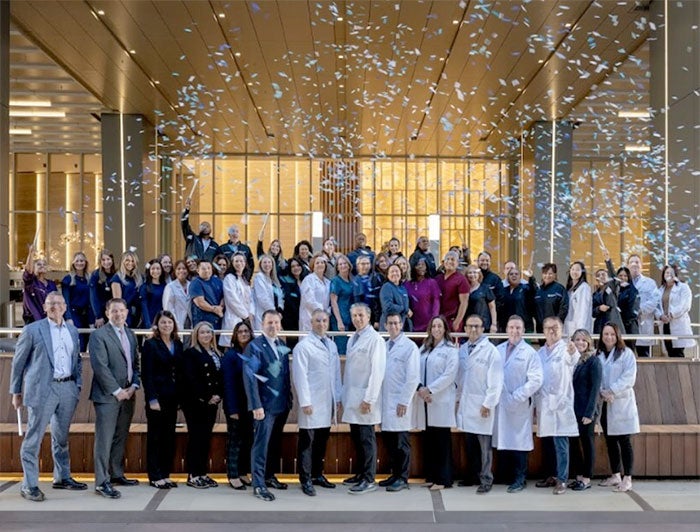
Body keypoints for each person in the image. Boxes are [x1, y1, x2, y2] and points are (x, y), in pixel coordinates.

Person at [10, 292, 86, 502]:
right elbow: (18, 363)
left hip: (67, 388)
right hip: (42, 390)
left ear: (65, 306)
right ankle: (30, 485)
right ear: (44, 307)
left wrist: (77, 384)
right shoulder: (33, 330)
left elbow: (77, 359)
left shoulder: (71, 329)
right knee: (33, 438)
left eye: (59, 303)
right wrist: (15, 391)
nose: (55, 307)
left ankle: (62, 477)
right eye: (51, 304)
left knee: (61, 437)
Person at [89, 298, 140, 499]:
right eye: (114, 311)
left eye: (121, 310)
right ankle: (102, 482)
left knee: (120, 436)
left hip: (129, 394)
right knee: (104, 439)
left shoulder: (130, 334)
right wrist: (117, 391)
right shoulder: (99, 335)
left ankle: (116, 474)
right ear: (108, 313)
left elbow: (135, 362)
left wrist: (134, 385)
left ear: (127, 312)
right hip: (108, 396)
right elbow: (100, 367)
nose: (118, 314)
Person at [292, 309, 343, 496]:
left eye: (324, 320)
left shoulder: (331, 345)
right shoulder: (303, 347)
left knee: (321, 441)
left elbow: (336, 374)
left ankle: (317, 475)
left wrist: (337, 397)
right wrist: (305, 401)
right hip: (311, 403)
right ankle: (305, 479)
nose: (321, 324)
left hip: (326, 402)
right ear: (311, 323)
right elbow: (300, 376)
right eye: (317, 321)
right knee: (307, 442)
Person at [244, 310, 292, 502]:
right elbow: (250, 378)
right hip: (264, 406)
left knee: (273, 444)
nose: (273, 326)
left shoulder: (281, 344)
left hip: (281, 405)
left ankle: (269, 476)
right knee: (261, 446)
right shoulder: (254, 346)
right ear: (262, 324)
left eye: (276, 323)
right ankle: (258, 484)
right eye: (269, 322)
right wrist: (256, 405)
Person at [492, 315, 543, 493]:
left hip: (519, 403)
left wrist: (518, 395)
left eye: (518, 328)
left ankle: (520, 478)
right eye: (511, 327)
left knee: (519, 441)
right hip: (500, 401)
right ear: (506, 329)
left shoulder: (530, 353)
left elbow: (536, 380)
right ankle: (505, 475)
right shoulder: (497, 350)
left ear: (523, 331)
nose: (514, 331)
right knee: (503, 438)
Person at [341, 303, 387, 495]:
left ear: (368, 317)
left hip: (366, 399)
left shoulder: (375, 340)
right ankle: (360, 474)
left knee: (367, 440)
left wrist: (370, 399)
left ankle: (369, 478)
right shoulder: (353, 338)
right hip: (353, 397)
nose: (357, 319)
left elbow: (377, 372)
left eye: (361, 315)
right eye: (354, 315)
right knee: (357, 439)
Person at [456, 315, 503, 494]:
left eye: (477, 326)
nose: (473, 330)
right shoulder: (463, 349)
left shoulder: (491, 351)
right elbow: (460, 377)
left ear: (483, 329)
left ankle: (486, 479)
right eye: (470, 327)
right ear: (465, 329)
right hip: (467, 403)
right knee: (471, 445)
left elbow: (496, 381)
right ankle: (472, 476)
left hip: (482, 404)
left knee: (485, 446)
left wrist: (488, 404)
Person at [413, 315, 459, 491]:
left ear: (445, 329)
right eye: (434, 326)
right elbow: (415, 369)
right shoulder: (424, 348)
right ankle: (431, 476)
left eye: (440, 326)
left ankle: (444, 479)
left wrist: (430, 389)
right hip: (425, 400)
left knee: (442, 442)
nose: (437, 329)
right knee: (429, 441)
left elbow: (449, 375)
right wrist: (420, 389)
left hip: (439, 400)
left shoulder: (450, 349)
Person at [534, 317, 579, 495]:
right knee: (547, 443)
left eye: (555, 328)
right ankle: (551, 475)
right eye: (547, 328)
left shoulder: (565, 349)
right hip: (545, 404)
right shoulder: (539, 353)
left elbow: (572, 359)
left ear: (561, 330)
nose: (551, 331)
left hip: (561, 404)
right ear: (543, 331)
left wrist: (573, 351)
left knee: (561, 444)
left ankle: (562, 479)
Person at [141, 310, 183, 489]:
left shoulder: (178, 344)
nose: (167, 325)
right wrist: (151, 398)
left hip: (173, 397)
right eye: (164, 322)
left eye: (170, 322)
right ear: (157, 325)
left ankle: (165, 474)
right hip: (157, 398)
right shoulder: (150, 345)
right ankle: (155, 475)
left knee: (168, 437)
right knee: (155, 437)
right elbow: (147, 374)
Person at [379, 312, 420, 492]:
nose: (393, 326)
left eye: (396, 323)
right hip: (386, 401)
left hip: (400, 402)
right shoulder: (384, 345)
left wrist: (404, 401)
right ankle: (394, 475)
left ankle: (403, 478)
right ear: (385, 326)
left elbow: (413, 377)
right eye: (390, 323)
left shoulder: (409, 347)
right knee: (390, 441)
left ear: (401, 325)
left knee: (401, 443)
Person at [596, 323, 640, 492]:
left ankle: (627, 477)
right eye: (605, 334)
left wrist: (612, 390)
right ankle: (615, 475)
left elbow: (629, 377)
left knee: (624, 441)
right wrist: (602, 391)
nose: (609, 337)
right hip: (606, 404)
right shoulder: (599, 354)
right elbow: (597, 376)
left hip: (621, 402)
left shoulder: (626, 354)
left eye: (612, 334)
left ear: (618, 336)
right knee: (610, 441)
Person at [180, 321, 222, 489]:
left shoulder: (216, 353)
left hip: (212, 403)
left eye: (208, 332)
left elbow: (220, 377)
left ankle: (202, 472)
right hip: (196, 403)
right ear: (196, 335)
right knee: (196, 437)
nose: (206, 335)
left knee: (205, 438)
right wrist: (206, 397)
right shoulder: (190, 354)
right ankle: (193, 474)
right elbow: (191, 380)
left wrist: (218, 395)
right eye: (202, 332)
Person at [222, 320, 255, 490]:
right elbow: (228, 384)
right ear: (235, 335)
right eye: (240, 331)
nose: (243, 334)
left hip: (251, 405)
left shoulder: (254, 353)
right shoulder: (230, 355)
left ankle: (243, 472)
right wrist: (233, 409)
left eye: (246, 331)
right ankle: (233, 474)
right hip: (235, 405)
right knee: (235, 440)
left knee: (248, 440)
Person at [567, 329, 602, 491]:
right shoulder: (573, 360)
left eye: (583, 340)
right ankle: (579, 476)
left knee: (587, 444)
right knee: (574, 444)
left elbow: (595, 389)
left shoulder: (593, 361)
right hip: (572, 410)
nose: (580, 342)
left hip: (586, 411)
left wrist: (589, 413)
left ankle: (587, 478)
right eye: (577, 339)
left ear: (588, 342)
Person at [655, 264, 695, 357]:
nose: (668, 274)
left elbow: (685, 305)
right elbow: (656, 306)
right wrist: (661, 316)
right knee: (669, 352)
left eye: (671, 272)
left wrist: (671, 315)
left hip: (677, 323)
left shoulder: (683, 287)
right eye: (667, 272)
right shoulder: (660, 290)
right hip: (665, 324)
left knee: (678, 353)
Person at [220, 252, 254, 347]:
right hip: (234, 318)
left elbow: (251, 299)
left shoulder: (244, 279)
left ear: (245, 263)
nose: (239, 263)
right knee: (233, 346)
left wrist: (251, 313)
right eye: (236, 261)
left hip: (247, 319)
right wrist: (245, 315)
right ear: (232, 263)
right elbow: (232, 299)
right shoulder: (229, 278)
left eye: (241, 261)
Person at [627, 254, 658, 357]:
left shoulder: (650, 283)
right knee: (627, 357)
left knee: (644, 356)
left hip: (643, 322)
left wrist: (639, 310)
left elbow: (654, 301)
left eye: (637, 262)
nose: (634, 264)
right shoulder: (624, 283)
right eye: (631, 262)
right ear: (627, 266)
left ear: (641, 266)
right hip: (628, 325)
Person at [61, 251, 93, 351]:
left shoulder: (90, 278)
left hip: (88, 315)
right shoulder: (68, 279)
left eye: (82, 261)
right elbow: (65, 300)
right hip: (74, 314)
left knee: (87, 341)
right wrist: (68, 317)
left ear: (86, 262)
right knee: (79, 341)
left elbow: (93, 299)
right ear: (73, 263)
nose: (80, 263)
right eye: (77, 261)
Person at [22, 244, 57, 324]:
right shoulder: (30, 282)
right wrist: (31, 254)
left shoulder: (51, 284)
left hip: (50, 320)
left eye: (44, 264)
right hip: (34, 321)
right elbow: (28, 271)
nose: (42, 266)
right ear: (33, 268)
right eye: (38, 264)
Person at [592, 250, 625, 335]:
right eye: (598, 275)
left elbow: (613, 275)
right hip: (600, 325)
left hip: (613, 322)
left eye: (603, 274)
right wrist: (599, 308)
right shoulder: (595, 294)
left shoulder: (611, 286)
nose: (601, 276)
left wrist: (608, 260)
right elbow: (592, 311)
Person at [436, 250, 470, 332]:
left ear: (457, 263)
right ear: (443, 262)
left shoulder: (461, 279)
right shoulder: (438, 278)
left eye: (453, 259)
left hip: (453, 319)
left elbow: (464, 302)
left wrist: (457, 322)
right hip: (438, 320)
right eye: (447, 259)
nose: (450, 261)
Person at [405, 258, 440, 333]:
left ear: (426, 268)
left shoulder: (432, 283)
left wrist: (434, 320)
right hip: (411, 323)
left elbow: (436, 302)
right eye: (418, 265)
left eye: (423, 265)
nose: (421, 267)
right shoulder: (407, 284)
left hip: (428, 324)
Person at [109, 251, 143, 327]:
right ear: (122, 262)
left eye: (132, 261)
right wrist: (121, 318)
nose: (130, 263)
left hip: (137, 315)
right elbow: (117, 301)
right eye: (127, 260)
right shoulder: (117, 278)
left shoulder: (138, 278)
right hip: (125, 315)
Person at [330, 254, 355, 354]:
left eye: (344, 263)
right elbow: (333, 301)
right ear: (337, 267)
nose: (343, 266)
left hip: (349, 318)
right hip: (340, 319)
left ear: (349, 265)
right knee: (341, 349)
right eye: (340, 264)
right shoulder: (336, 281)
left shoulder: (351, 280)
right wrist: (339, 321)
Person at [533, 263, 569, 334]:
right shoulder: (538, 290)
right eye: (545, 273)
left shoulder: (560, 289)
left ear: (555, 275)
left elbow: (564, 308)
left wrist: (556, 323)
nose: (547, 276)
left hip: (555, 328)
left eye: (550, 273)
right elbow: (534, 309)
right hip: (540, 328)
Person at [252, 254, 284, 331]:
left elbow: (281, 297)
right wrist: (274, 312)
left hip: (275, 315)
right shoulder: (259, 277)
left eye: (269, 262)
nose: (267, 265)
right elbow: (263, 298)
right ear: (260, 264)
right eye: (264, 262)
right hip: (264, 313)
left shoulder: (274, 281)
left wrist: (279, 310)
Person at [279, 257, 306, 349]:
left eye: (298, 265)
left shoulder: (306, 280)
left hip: (304, 317)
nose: (296, 268)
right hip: (290, 319)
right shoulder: (285, 282)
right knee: (293, 345)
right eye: (293, 266)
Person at [189, 260, 225, 330]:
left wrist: (221, 307)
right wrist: (214, 309)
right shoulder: (195, 283)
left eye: (209, 268)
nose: (207, 270)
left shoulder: (217, 281)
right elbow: (200, 302)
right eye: (203, 268)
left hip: (218, 320)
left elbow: (223, 296)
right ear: (197, 270)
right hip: (203, 321)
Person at [181, 197, 219, 262]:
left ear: (210, 230)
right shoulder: (193, 239)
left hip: (207, 270)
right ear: (199, 229)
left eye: (207, 226)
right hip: (193, 269)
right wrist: (187, 210)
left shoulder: (215, 246)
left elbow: (218, 260)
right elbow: (184, 225)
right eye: (203, 225)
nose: (205, 227)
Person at [299, 254, 331, 331]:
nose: (320, 264)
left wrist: (328, 311)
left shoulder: (328, 282)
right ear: (313, 266)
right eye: (317, 263)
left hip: (324, 318)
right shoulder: (308, 280)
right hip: (310, 317)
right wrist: (322, 311)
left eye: (322, 263)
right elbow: (309, 300)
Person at [500, 268, 537, 333]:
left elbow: (534, 289)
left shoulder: (525, 288)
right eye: (511, 274)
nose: (514, 275)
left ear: (520, 277)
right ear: (508, 277)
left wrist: (531, 277)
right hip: (508, 327)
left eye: (516, 274)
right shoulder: (503, 290)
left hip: (524, 326)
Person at [352, 255, 383, 329]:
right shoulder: (355, 280)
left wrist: (377, 319)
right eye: (363, 264)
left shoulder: (376, 277)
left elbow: (377, 300)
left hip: (375, 315)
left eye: (367, 263)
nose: (365, 266)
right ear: (357, 266)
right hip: (362, 316)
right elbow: (357, 301)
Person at [465, 265, 498, 334]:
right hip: (468, 325)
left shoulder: (485, 288)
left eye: (475, 272)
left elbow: (492, 307)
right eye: (470, 273)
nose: (472, 275)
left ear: (479, 274)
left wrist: (494, 324)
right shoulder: (464, 289)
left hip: (483, 325)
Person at [379, 264, 411, 331]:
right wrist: (404, 309)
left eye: (397, 271)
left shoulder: (403, 288)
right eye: (392, 271)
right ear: (387, 275)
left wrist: (408, 310)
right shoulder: (386, 287)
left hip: (401, 326)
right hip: (389, 327)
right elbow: (388, 307)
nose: (395, 273)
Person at [564, 261, 593, 336]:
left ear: (582, 272)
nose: (574, 272)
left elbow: (583, 310)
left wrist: (580, 329)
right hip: (569, 326)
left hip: (579, 327)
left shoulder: (584, 287)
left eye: (577, 270)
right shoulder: (570, 289)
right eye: (572, 269)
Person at [89, 250, 116, 328]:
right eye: (103, 260)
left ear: (112, 260)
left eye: (108, 259)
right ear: (100, 262)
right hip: (99, 313)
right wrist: (98, 316)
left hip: (112, 312)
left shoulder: (116, 274)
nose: (106, 262)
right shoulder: (95, 275)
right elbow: (93, 297)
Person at [162, 259, 191, 330]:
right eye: (178, 269)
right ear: (175, 271)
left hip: (190, 321)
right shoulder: (170, 286)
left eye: (184, 268)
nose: (181, 271)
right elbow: (168, 307)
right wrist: (174, 322)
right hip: (177, 320)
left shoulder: (191, 285)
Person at [477, 251, 505, 319]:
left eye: (487, 260)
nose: (485, 262)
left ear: (490, 262)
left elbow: (500, 299)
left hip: (490, 317)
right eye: (482, 260)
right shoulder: (473, 277)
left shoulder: (495, 279)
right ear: (477, 261)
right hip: (474, 316)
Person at [139, 259, 166, 329]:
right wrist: (148, 325)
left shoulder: (165, 286)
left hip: (163, 321)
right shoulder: (145, 287)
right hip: (150, 322)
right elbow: (144, 307)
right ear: (149, 271)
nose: (155, 271)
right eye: (153, 268)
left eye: (158, 268)